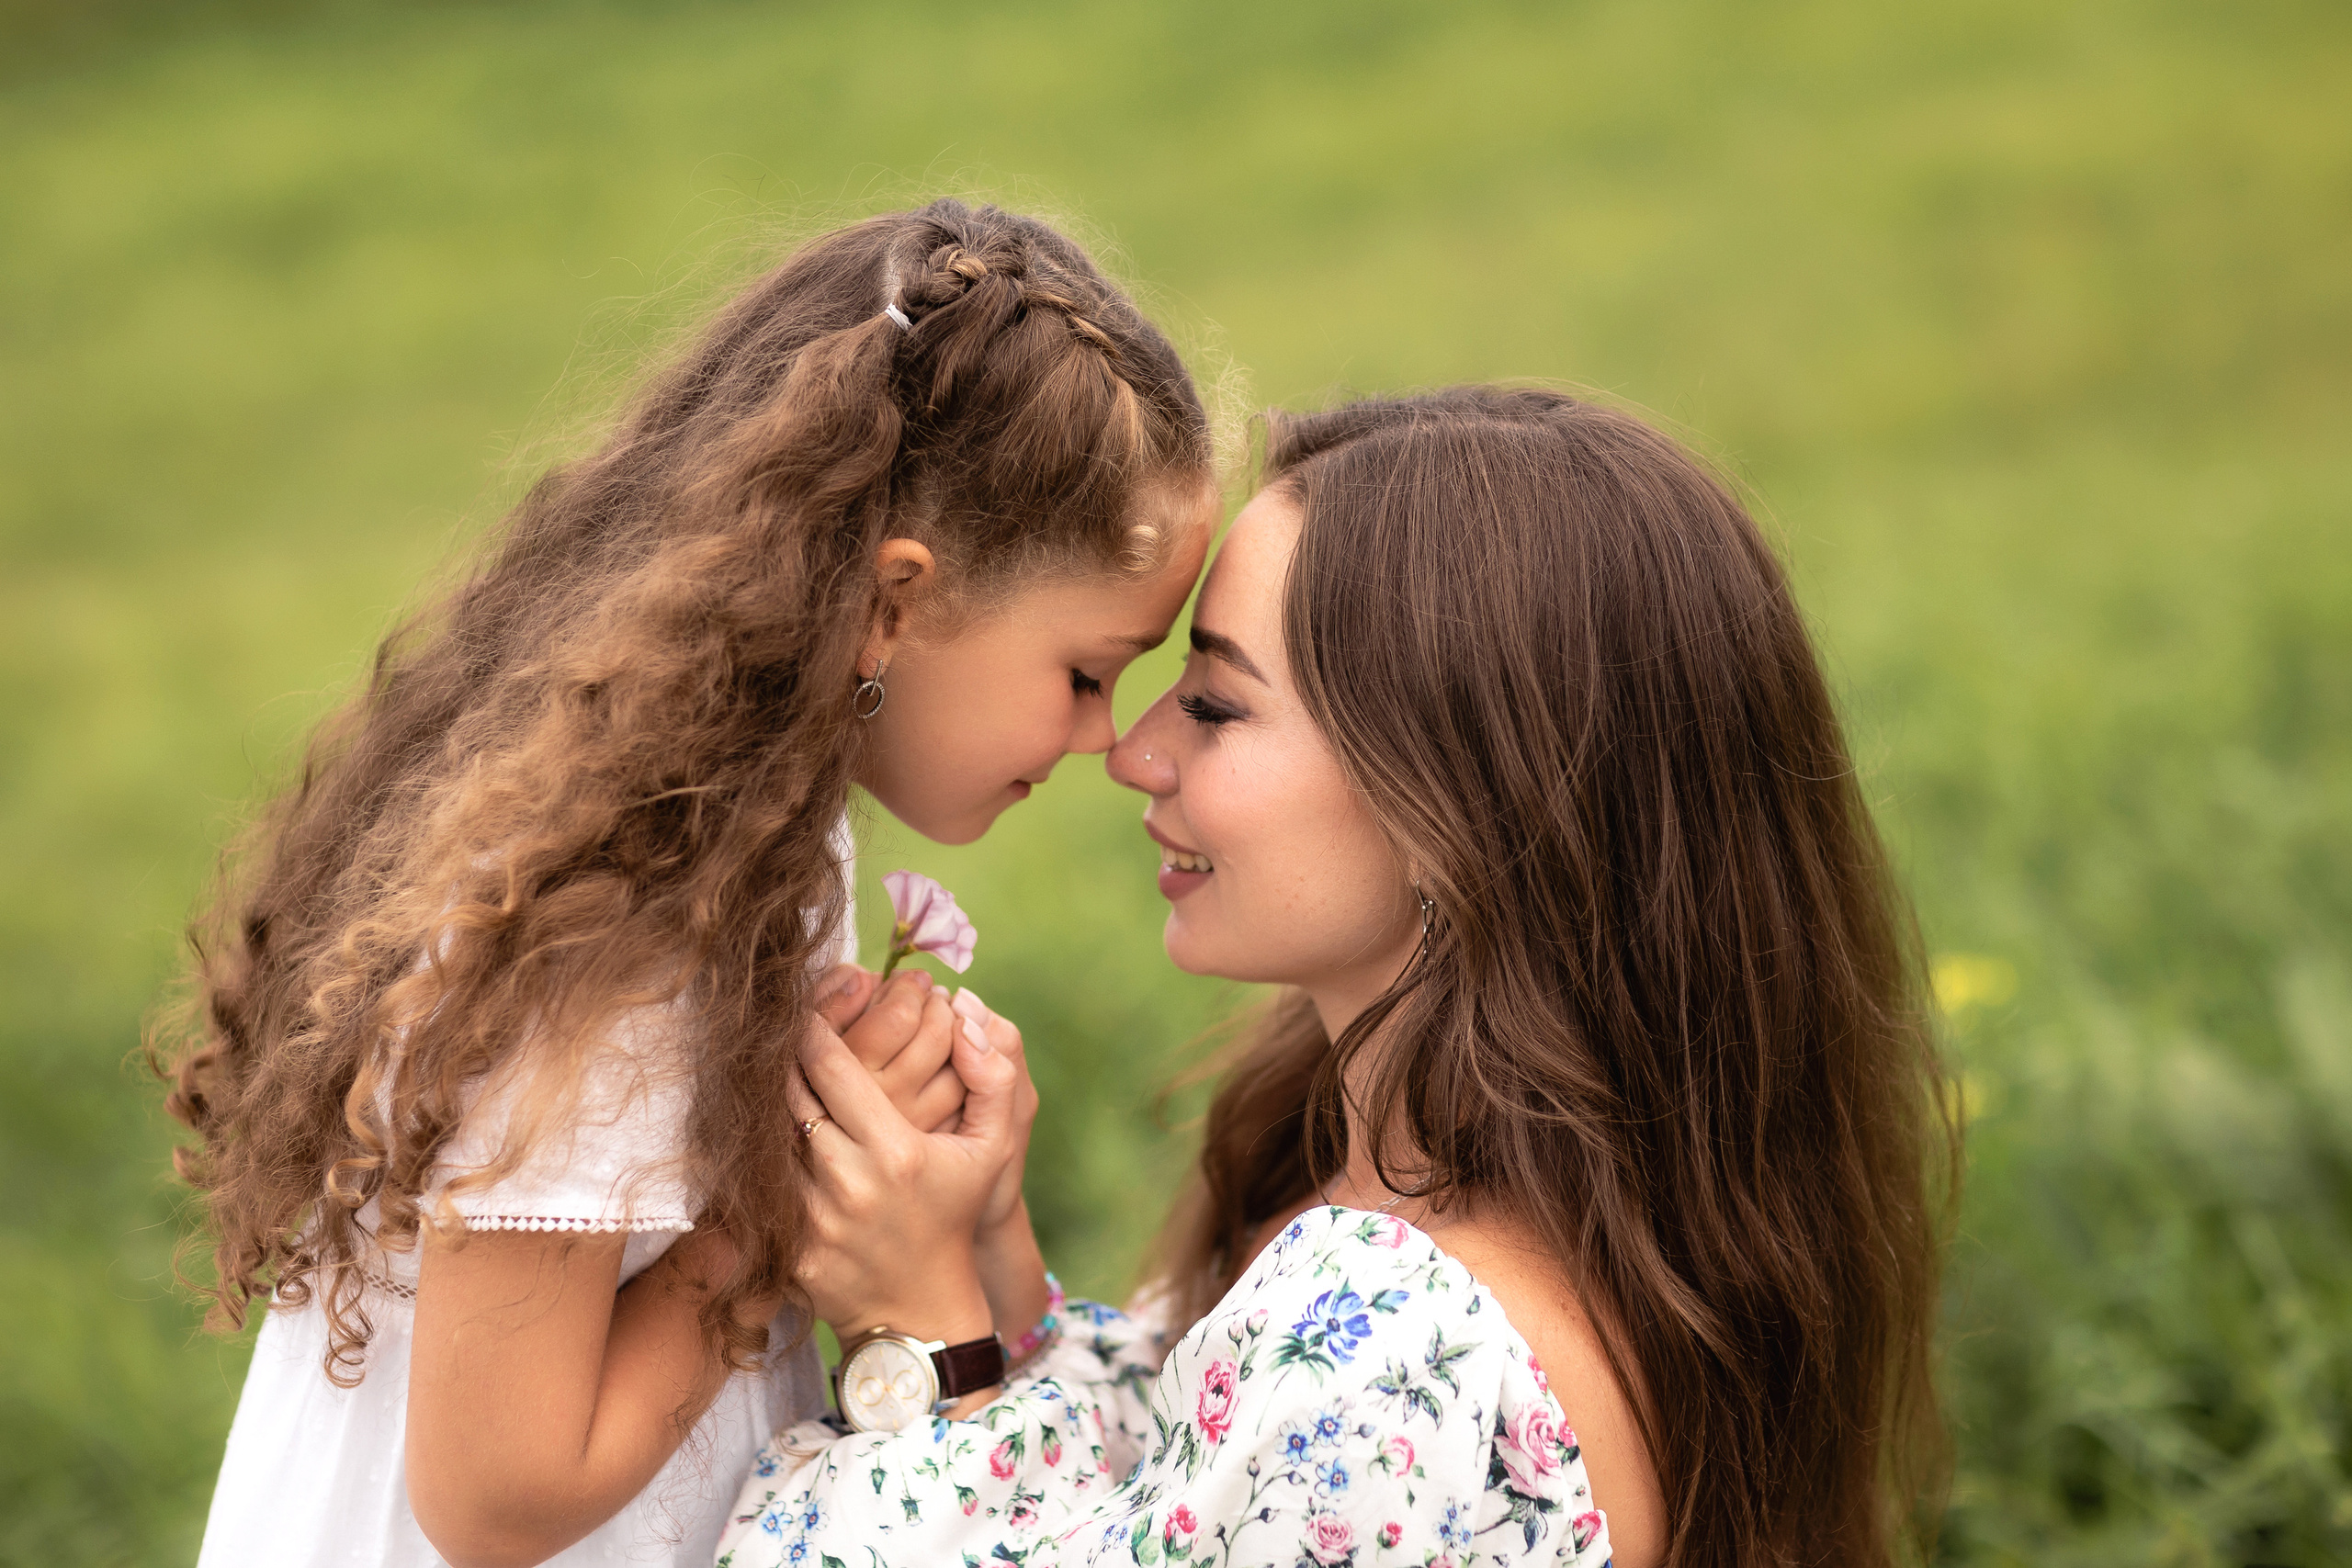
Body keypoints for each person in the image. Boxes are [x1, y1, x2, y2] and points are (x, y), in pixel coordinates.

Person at [726, 387, 1954, 1568]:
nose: (1136, 752)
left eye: (1214, 703)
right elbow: (1176, 1507)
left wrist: (921, 1347)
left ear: (1456, 806)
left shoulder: (1396, 1348)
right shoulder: (1478, 1210)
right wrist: (993, 1269)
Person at [161, 197, 1217, 1568]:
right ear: (892, 605)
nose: (1107, 738)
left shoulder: (748, 840)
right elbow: (499, 1498)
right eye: (1086, 674)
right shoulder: (630, 929)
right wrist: (780, 1201)